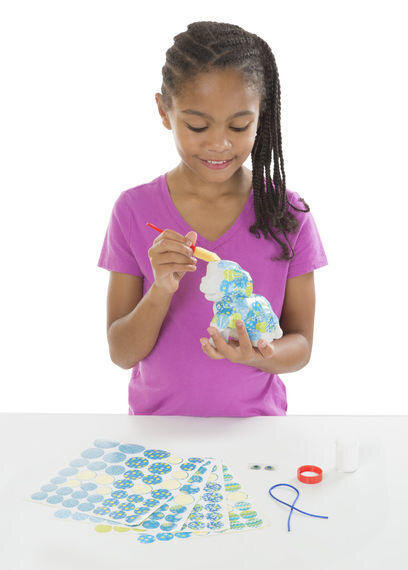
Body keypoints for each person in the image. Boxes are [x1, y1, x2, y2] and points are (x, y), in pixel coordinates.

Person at [97, 21, 327, 417]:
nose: (219, 144)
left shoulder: (287, 214)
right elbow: (121, 352)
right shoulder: (134, 210)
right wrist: (161, 289)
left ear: (261, 115)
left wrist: (258, 354)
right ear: (164, 111)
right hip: (158, 434)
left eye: (239, 126)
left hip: (257, 432)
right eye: (198, 125)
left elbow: (301, 345)